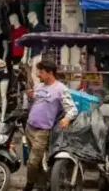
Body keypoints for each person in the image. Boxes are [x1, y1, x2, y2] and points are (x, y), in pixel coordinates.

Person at [24, 60, 78, 191]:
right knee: (36, 162)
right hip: (29, 127)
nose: (38, 74)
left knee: (32, 162)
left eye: (41, 72)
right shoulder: (38, 86)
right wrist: (30, 96)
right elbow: (35, 104)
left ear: (50, 73)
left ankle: (29, 185)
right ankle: (42, 185)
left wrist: (66, 118)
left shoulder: (61, 89)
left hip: (42, 131)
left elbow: (73, 109)